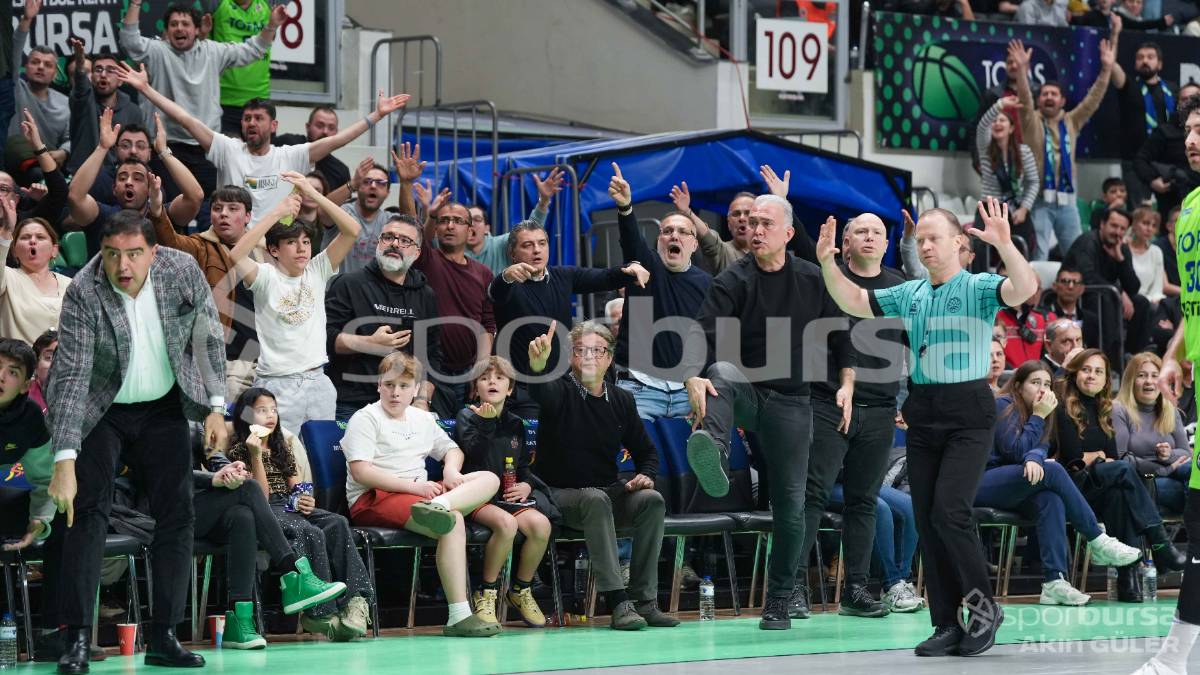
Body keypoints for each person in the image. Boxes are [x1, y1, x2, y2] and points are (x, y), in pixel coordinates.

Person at [817, 198, 1038, 656]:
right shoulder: (909, 292)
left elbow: (1025, 288)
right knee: (927, 518)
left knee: (950, 511)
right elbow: (854, 299)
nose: (926, 247)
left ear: (959, 243)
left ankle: (983, 610)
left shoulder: (977, 287)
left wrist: (1006, 245)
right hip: (923, 408)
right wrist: (825, 261)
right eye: (921, 241)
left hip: (968, 410)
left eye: (935, 238)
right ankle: (945, 623)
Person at [46, 210, 228, 673]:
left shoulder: (181, 270)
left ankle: (165, 635)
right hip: (100, 408)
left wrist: (215, 405)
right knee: (86, 513)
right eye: (111, 255)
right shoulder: (84, 291)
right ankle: (78, 640)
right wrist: (65, 458)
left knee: (179, 512)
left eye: (133, 254)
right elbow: (69, 377)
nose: (122, 266)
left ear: (154, 252)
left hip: (164, 406)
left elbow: (208, 337)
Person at [683, 192, 853, 631]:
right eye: (751, 223)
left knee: (791, 506)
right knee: (717, 369)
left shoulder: (812, 279)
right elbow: (700, 335)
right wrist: (690, 376)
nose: (755, 230)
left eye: (765, 224)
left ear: (788, 234)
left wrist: (848, 384)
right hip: (746, 394)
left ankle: (778, 599)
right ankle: (715, 452)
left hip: (794, 403)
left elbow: (843, 337)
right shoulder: (733, 279)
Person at [115, 59, 410, 221]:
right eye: (247, 119)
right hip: (231, 243)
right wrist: (147, 90)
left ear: (274, 125)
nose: (251, 123)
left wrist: (375, 116)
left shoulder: (290, 155)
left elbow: (336, 141)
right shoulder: (227, 149)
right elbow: (186, 119)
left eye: (258, 118)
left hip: (275, 248)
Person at [793, 212, 907, 619]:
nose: (870, 237)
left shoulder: (899, 286)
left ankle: (856, 589)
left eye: (877, 232)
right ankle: (792, 588)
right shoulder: (828, 278)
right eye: (861, 231)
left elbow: (916, 344)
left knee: (864, 501)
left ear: (886, 243)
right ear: (846, 239)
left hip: (879, 409)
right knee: (811, 496)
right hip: (827, 403)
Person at [528, 320, 677, 631]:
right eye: (581, 351)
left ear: (609, 358)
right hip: (559, 495)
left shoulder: (622, 399)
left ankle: (644, 601)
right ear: (571, 357)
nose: (589, 357)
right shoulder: (560, 391)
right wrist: (539, 369)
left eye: (597, 351)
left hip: (605, 494)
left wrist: (646, 475)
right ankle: (617, 601)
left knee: (652, 500)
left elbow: (647, 453)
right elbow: (543, 392)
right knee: (595, 500)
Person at [343, 351, 503, 637]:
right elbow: (361, 473)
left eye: (404, 386)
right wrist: (416, 488)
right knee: (453, 521)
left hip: (423, 498)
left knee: (489, 478)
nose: (395, 393)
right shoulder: (365, 418)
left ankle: (439, 505)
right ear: (378, 385)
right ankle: (459, 616)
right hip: (374, 497)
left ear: (416, 389)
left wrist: (452, 472)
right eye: (389, 385)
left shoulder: (422, 418)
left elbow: (452, 450)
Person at [977, 360, 1141, 606]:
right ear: (1019, 386)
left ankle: (1054, 581)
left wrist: (1034, 453)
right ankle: (1096, 538)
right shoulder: (1004, 405)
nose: (1042, 389)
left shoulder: (1043, 413)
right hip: (984, 482)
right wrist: (1038, 418)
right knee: (1053, 471)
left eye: (1047, 384)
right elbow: (1013, 450)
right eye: (1035, 383)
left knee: (1050, 500)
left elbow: (1040, 448)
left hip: (1017, 484)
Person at [227, 387, 374, 640]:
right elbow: (259, 497)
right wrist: (256, 456)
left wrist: (305, 500)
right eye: (262, 411)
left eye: (273, 410)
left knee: (337, 522)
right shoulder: (240, 450)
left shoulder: (281, 444)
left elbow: (297, 485)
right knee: (308, 530)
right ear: (246, 416)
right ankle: (321, 613)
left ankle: (355, 601)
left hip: (287, 504)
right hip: (263, 507)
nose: (270, 416)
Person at [229, 171, 361, 433]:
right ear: (274, 250)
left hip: (318, 380)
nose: (301, 248)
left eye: (305, 242)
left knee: (319, 460)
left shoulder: (318, 269)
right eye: (291, 242)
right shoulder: (265, 276)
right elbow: (236, 254)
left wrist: (312, 194)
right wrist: (277, 213)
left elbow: (352, 230)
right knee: (281, 459)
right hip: (276, 384)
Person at [1050, 348, 1185, 604]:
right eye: (1086, 370)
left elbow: (1110, 456)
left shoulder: (1105, 411)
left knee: (1119, 496)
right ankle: (1160, 544)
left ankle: (1128, 582)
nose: (1092, 376)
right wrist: (1096, 457)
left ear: (1105, 380)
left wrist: (1096, 457)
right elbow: (1073, 458)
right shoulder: (1063, 408)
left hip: (1100, 484)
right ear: (1075, 373)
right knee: (1123, 471)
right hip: (1073, 486)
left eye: (1098, 371)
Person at [120, 0, 286, 193]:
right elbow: (129, 41)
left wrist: (272, 25)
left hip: (208, 148)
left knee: (211, 209)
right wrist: (135, 3)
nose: (179, 28)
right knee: (171, 211)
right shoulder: (158, 50)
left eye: (185, 24)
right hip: (168, 148)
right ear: (167, 30)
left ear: (197, 30)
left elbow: (253, 50)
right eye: (174, 24)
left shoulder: (213, 51)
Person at [490, 219, 649, 419]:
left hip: (561, 387)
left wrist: (630, 269)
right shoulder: (508, 284)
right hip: (522, 392)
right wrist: (505, 276)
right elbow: (494, 293)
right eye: (527, 245)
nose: (536, 250)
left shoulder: (563, 276)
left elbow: (605, 277)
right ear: (513, 254)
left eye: (541, 243)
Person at [607, 162, 711, 420]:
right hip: (639, 389)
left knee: (687, 461)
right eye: (667, 231)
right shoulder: (647, 266)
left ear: (694, 244)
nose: (674, 236)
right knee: (636, 461)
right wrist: (625, 207)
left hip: (687, 392)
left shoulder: (708, 284)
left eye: (682, 232)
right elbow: (631, 241)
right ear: (658, 240)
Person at [454, 356, 552, 628]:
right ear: (476, 388)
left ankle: (520, 590)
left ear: (510, 389)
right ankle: (486, 593)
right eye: (484, 378)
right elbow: (474, 454)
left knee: (540, 525)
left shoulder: (516, 423)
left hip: (505, 497)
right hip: (474, 496)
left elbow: (523, 467)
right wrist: (485, 424)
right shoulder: (467, 416)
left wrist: (527, 484)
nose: (491, 382)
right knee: (507, 525)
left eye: (499, 378)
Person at [150, 183, 264, 400]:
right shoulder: (200, 246)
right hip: (227, 361)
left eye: (232, 209)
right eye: (217, 208)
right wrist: (157, 212)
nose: (223, 214)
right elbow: (171, 243)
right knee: (231, 427)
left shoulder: (267, 249)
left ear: (248, 216)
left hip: (268, 360)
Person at [325, 214, 442, 422]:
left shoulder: (426, 294)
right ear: (379, 242)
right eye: (388, 237)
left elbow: (431, 356)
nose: (395, 244)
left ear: (416, 253)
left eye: (405, 241)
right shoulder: (348, 284)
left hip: (405, 405)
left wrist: (422, 399)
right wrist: (369, 343)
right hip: (352, 403)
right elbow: (325, 339)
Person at [1009, 38, 1114, 260]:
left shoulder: (1071, 122)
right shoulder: (1031, 121)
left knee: (1078, 257)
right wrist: (1021, 72)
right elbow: (1025, 100)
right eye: (1044, 94)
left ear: (1062, 100)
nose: (1048, 97)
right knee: (1037, 258)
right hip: (1038, 202)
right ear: (1039, 101)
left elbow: (1093, 99)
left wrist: (1106, 69)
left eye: (1053, 94)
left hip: (1067, 201)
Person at [68, 110, 204, 258]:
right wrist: (102, 147)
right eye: (122, 178)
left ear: (149, 189)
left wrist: (164, 151)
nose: (128, 182)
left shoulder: (163, 216)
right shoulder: (102, 216)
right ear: (114, 189)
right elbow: (75, 196)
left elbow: (195, 196)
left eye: (138, 178)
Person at [410, 197, 496, 415]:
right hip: (428, 371)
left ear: (470, 230)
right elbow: (416, 237)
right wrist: (406, 184)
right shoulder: (427, 260)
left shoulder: (483, 273)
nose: (450, 225)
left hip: (468, 373)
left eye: (458, 220)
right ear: (436, 228)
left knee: (468, 436)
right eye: (444, 220)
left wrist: (480, 368)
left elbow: (487, 324)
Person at [1063, 207, 1154, 363]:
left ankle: (1134, 356)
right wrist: (1118, 291)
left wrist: (1121, 260)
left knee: (1142, 303)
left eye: (1122, 228)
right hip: (1082, 295)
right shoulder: (1087, 242)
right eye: (1113, 226)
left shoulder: (1121, 247)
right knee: (1107, 298)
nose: (1117, 232)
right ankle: (1109, 360)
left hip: (1108, 293)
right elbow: (1087, 277)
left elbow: (1133, 287)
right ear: (1102, 224)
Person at [0, 338, 57, 558]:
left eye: (13, 372)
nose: (1, 377)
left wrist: (39, 522)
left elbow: (45, 480)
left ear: (25, 385)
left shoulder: (31, 418)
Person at [1114, 352, 1190, 514]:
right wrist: (1164, 469)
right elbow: (1121, 458)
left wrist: (1168, 455)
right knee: (1184, 490)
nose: (1149, 381)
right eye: (1142, 375)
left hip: (1174, 472)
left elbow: (1186, 453)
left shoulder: (1169, 410)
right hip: (1143, 477)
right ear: (1131, 381)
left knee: (1194, 470)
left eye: (1155, 376)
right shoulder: (1119, 409)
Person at [1110, 32, 1177, 207]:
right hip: (1134, 164)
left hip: (1166, 163)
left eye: (1150, 57)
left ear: (1160, 63)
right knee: (1141, 217)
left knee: (1170, 218)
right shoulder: (1129, 87)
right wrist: (1115, 35)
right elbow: (1111, 66)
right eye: (1140, 57)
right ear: (1135, 63)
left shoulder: (1173, 90)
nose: (1145, 61)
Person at [66, 40, 146, 177]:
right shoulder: (83, 101)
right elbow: (80, 88)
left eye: (110, 70)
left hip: (120, 178)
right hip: (83, 177)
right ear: (91, 78)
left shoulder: (133, 110)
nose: (103, 75)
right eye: (98, 70)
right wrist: (80, 65)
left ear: (121, 80)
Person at [461, 168, 560, 274]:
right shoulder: (451, 249)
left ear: (487, 228)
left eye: (477, 219)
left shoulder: (500, 244)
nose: (471, 224)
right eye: (466, 220)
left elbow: (530, 229)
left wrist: (544, 201)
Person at [975, 95, 1038, 260]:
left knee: (1022, 252)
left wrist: (1024, 208)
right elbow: (982, 126)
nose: (997, 123)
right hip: (988, 209)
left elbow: (1033, 182)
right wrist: (1000, 105)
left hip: (1015, 209)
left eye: (1002, 120)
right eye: (994, 121)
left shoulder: (1024, 152)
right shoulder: (986, 147)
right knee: (980, 251)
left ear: (1011, 128)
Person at [9, 1, 69, 169]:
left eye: (48, 65)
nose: (41, 67)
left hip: (49, 168)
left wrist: (64, 152)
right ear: (25, 67)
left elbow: (72, 138)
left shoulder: (65, 103)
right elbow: (13, 54)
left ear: (55, 74)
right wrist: (26, 19)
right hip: (13, 163)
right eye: (35, 62)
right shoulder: (15, 88)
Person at [207, 0, 276, 135]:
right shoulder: (217, 4)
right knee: (227, 155)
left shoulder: (267, 4)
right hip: (223, 101)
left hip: (260, 99)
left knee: (261, 155)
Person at [0, 213, 69, 344]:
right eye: (25, 238)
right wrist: (6, 231)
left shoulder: (71, 285)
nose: (32, 240)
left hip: (64, 362)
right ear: (14, 250)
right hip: (19, 362)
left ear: (54, 250)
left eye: (40, 237)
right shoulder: (7, 277)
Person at [1134, 84, 1200, 219]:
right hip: (1173, 203)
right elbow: (1140, 159)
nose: (1189, 141)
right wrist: (1153, 180)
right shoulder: (1164, 132)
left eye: (1194, 99)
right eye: (1184, 99)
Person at [275, 107, 351, 190]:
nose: (325, 131)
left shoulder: (341, 171)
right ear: (308, 127)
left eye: (331, 128)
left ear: (336, 133)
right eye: (319, 126)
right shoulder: (287, 143)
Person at [996, 276, 1055, 368]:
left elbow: (1049, 354)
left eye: (1036, 288)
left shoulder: (1042, 318)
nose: (1033, 293)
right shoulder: (995, 317)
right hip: (1006, 376)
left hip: (1036, 375)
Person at [1129, 206, 1167, 304]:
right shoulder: (1124, 249)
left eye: (1154, 226)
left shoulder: (1156, 252)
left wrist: (1152, 300)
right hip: (1127, 301)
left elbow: (1157, 288)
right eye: (1145, 223)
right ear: (1134, 224)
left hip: (1149, 303)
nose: (1149, 229)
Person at [27, 328, 55, 412]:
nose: (58, 364)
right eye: (49, 357)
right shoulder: (23, 399)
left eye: (65, 358)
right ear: (35, 364)